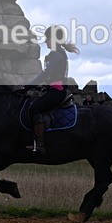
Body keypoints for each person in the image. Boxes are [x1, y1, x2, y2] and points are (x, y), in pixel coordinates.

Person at [24, 26, 80, 154]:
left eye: (47, 38)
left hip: (57, 91)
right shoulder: (58, 53)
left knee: (34, 109)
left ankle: (40, 144)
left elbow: (46, 73)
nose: (46, 41)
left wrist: (29, 86)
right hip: (53, 89)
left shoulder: (56, 54)